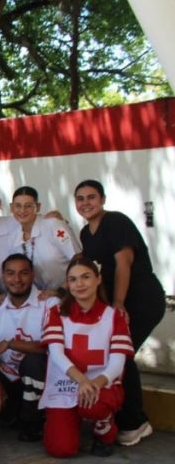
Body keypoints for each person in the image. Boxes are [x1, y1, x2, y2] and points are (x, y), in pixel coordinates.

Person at [75, 179, 165, 447]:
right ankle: (123, 418)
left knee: (122, 357)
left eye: (91, 197)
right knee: (118, 357)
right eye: (80, 198)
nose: (86, 203)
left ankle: (135, 423)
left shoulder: (116, 222)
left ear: (102, 199)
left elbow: (123, 263)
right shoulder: (84, 233)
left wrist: (118, 304)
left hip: (141, 300)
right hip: (117, 303)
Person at [42, 255, 134, 457]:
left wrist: (94, 384)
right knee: (61, 449)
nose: (79, 284)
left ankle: (104, 427)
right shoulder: (56, 312)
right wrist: (82, 381)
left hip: (100, 385)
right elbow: (56, 354)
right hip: (66, 386)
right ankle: (71, 420)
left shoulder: (115, 316)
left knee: (93, 408)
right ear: (67, 284)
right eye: (73, 279)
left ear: (98, 279)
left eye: (86, 277)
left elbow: (118, 362)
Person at [0, 254, 56, 441]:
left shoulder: (49, 304)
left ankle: (34, 422)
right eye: (10, 274)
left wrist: (10, 343)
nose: (17, 279)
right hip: (9, 379)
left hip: (41, 378)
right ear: (3, 277)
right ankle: (15, 413)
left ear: (32, 275)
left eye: (23, 273)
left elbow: (52, 348)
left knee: (34, 361)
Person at [10, 186, 80, 291]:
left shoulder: (54, 225)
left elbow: (78, 258)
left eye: (28, 206)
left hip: (71, 291)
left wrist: (61, 290)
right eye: (18, 206)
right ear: (11, 207)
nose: (22, 210)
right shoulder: (14, 237)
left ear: (37, 207)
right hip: (42, 298)